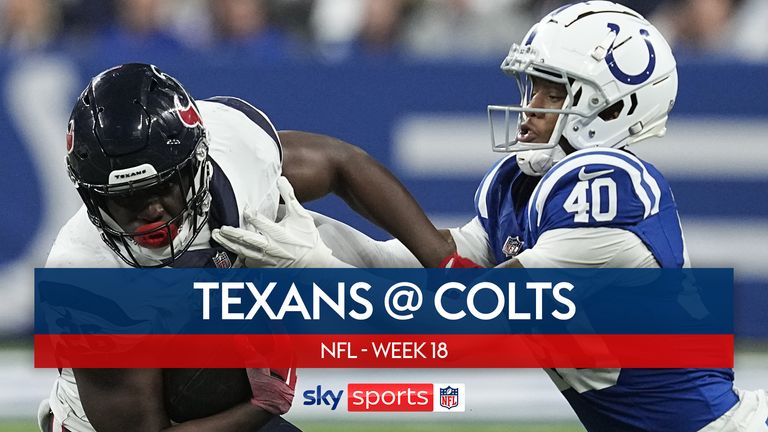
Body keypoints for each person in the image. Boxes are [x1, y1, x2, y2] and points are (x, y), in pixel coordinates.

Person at [232, 2, 768, 431]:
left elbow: (464, 325)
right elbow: (425, 271)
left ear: (612, 109)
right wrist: (296, 221)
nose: (531, 107)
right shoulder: (527, 183)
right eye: (533, 86)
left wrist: (307, 264)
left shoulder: (611, 193)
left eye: (553, 92)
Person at [40, 63, 461, 432]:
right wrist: (261, 406)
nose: (150, 211)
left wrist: (444, 261)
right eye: (125, 199)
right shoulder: (85, 274)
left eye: (164, 186)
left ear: (197, 162)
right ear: (93, 198)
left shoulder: (235, 156)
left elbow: (339, 163)